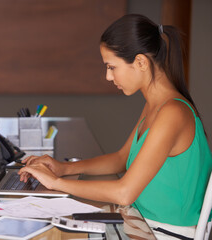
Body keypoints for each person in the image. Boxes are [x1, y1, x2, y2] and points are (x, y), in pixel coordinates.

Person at [18, 14, 212, 239]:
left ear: (140, 62)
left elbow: (125, 193)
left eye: (112, 67)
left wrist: (56, 183)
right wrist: (64, 168)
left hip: (165, 232)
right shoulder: (157, 106)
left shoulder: (172, 113)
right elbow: (122, 158)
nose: (108, 76)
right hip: (143, 221)